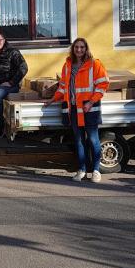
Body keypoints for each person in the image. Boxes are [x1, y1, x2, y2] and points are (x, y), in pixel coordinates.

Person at [47, 38, 109, 183]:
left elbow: (103, 85)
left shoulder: (95, 64)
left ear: (86, 48)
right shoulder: (68, 65)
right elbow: (63, 86)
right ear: (73, 49)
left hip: (90, 109)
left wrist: (91, 102)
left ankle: (96, 171)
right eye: (76, 47)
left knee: (93, 140)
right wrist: (52, 99)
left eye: (82, 47)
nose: (79, 50)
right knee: (79, 140)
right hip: (74, 109)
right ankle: (81, 170)